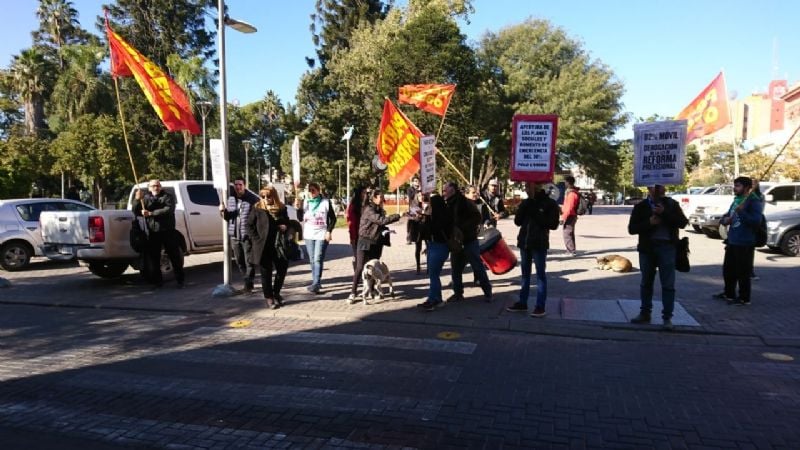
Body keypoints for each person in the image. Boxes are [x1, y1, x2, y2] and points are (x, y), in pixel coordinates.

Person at [628, 184, 688, 330]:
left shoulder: (672, 204)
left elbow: (683, 223)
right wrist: (649, 223)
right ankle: (645, 312)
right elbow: (632, 229)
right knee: (646, 282)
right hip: (647, 249)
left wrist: (665, 213)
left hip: (667, 248)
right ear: (648, 188)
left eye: (660, 187)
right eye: (654, 187)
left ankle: (667, 317)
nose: (657, 190)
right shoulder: (641, 206)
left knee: (668, 284)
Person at [506, 182, 560, 317]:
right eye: (525, 187)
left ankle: (540, 306)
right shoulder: (526, 202)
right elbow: (518, 221)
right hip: (525, 242)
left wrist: (536, 212)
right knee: (525, 274)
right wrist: (524, 207)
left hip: (539, 243)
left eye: (528, 186)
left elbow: (553, 224)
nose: (526, 189)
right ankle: (522, 302)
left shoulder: (549, 203)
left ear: (536, 187)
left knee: (540, 274)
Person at [715, 176, 763, 305]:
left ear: (747, 188)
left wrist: (742, 213)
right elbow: (727, 215)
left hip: (745, 241)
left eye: (738, 186)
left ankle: (744, 298)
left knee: (743, 272)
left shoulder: (754, 201)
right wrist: (725, 220)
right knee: (728, 270)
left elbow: (756, 221)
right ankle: (729, 293)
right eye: (734, 185)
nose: (734, 188)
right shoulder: (737, 200)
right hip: (732, 240)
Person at [348, 189, 401, 303]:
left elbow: (379, 225)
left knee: (373, 268)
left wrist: (387, 231)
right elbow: (381, 221)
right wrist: (398, 215)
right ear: (374, 198)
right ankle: (353, 292)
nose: (383, 200)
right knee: (360, 267)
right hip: (364, 242)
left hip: (376, 243)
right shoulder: (369, 209)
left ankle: (372, 290)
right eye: (381, 197)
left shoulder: (380, 210)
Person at [444, 181, 492, 303]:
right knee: (455, 269)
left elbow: (477, 217)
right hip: (456, 242)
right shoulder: (448, 203)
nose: (444, 192)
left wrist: (462, 228)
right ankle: (458, 294)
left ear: (453, 190)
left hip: (469, 240)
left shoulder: (465, 202)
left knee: (478, 267)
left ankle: (488, 292)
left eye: (446, 190)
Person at [132, 179, 185, 288]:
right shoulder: (145, 198)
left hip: (168, 231)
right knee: (154, 259)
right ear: (149, 188)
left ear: (160, 186)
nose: (156, 188)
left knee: (174, 257)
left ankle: (180, 281)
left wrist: (151, 213)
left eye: (157, 185)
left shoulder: (167, 196)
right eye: (153, 186)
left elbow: (168, 209)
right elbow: (136, 211)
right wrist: (137, 200)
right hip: (153, 232)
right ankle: (158, 282)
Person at [247, 186, 290, 309]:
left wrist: (284, 226)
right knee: (266, 273)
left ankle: (276, 292)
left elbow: (287, 221)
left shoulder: (281, 208)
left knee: (282, 268)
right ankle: (269, 297)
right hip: (262, 245)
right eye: (263, 196)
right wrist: (256, 239)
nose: (266, 199)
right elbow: (249, 225)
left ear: (274, 196)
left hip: (278, 244)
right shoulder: (257, 208)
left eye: (269, 196)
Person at [220, 177, 260, 293]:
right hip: (234, 235)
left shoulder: (252, 199)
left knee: (249, 261)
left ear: (244, 185)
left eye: (240, 185)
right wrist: (222, 211)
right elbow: (227, 217)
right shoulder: (231, 198)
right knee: (239, 261)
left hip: (246, 235)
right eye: (236, 185)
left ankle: (248, 285)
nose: (238, 187)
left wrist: (252, 232)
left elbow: (256, 217)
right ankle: (247, 281)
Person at [296, 182, 336, 294]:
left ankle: (316, 284)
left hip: (321, 234)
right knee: (313, 259)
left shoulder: (325, 202)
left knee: (318, 258)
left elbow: (333, 219)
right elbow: (300, 218)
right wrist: (298, 208)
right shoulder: (305, 202)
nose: (311, 192)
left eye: (313, 190)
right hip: (309, 235)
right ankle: (316, 282)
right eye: (309, 190)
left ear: (318, 190)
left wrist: (329, 231)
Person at [417, 193, 450, 311]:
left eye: (431, 204)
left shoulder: (441, 218)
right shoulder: (435, 216)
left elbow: (432, 230)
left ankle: (434, 300)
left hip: (440, 247)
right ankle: (435, 299)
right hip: (433, 246)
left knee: (434, 275)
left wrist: (425, 217)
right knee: (433, 275)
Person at [407, 191, 430, 274]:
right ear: (417, 196)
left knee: (429, 248)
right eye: (420, 195)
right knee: (418, 248)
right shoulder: (413, 206)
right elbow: (410, 218)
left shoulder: (428, 204)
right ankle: (418, 267)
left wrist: (425, 211)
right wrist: (416, 216)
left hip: (427, 229)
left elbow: (430, 216)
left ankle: (429, 266)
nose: (421, 197)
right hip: (417, 229)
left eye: (423, 195)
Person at [346, 187, 368, 270]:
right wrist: (353, 237)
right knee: (358, 257)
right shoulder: (353, 206)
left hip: (366, 235)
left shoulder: (366, 205)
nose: (366, 195)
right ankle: (357, 275)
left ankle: (364, 274)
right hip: (357, 235)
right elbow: (351, 223)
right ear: (359, 194)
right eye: (364, 193)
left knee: (365, 256)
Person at [560, 175, 580, 256]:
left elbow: (569, 208)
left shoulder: (572, 194)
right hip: (571, 215)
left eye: (565, 182)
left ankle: (570, 251)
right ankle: (571, 250)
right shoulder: (571, 192)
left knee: (567, 233)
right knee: (570, 233)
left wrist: (563, 218)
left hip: (570, 216)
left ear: (568, 182)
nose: (564, 183)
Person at [405, 177, 421, 244]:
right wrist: (417, 191)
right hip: (412, 208)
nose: (417, 182)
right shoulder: (410, 189)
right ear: (412, 182)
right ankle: (409, 239)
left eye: (418, 181)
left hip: (419, 208)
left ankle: (417, 238)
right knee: (410, 224)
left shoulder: (421, 189)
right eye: (415, 181)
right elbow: (410, 196)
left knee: (419, 224)